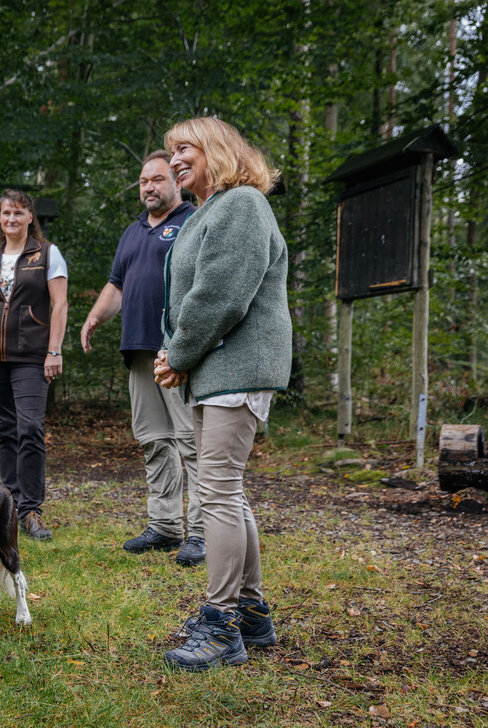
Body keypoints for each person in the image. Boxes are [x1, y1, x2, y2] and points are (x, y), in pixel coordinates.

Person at [156, 117, 291, 671]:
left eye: (185, 149)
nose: (175, 161)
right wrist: (181, 355)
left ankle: (221, 624)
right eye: (170, 153)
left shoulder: (241, 205)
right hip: (217, 370)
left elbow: (220, 296)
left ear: (217, 149)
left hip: (236, 366)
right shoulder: (209, 210)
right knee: (226, 492)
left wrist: (179, 354)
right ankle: (253, 615)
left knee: (216, 492)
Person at [80, 151, 204, 566]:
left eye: (157, 179)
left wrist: (190, 343)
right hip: (137, 349)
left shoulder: (192, 221)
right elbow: (117, 283)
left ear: (177, 182)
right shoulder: (133, 231)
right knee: (153, 440)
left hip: (179, 350)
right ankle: (166, 525)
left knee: (191, 442)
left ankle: (203, 532)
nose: (148, 187)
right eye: (142, 181)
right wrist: (95, 318)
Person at [0, 190, 68, 541]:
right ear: (0, 218)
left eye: (19, 213)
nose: (12, 219)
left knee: (31, 428)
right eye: (6, 213)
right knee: (5, 430)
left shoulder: (47, 254)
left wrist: (55, 351)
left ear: (30, 217)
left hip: (32, 356)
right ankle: (8, 504)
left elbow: (60, 305)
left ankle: (31, 509)